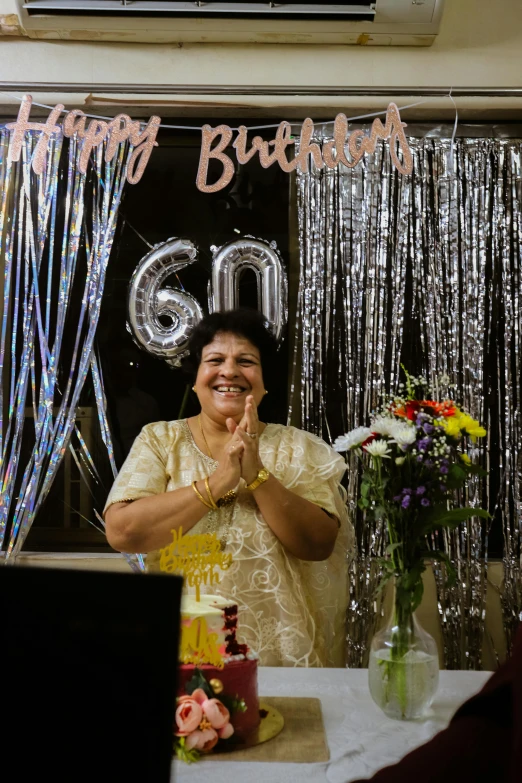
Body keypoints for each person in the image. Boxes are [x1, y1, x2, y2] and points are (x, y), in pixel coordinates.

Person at [104, 308, 353, 666]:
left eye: (246, 361)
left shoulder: (300, 447)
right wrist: (218, 483)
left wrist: (257, 475)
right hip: (184, 656)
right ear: (196, 378)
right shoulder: (160, 440)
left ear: (265, 380)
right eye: (215, 359)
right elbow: (123, 531)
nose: (230, 371)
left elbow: (318, 545)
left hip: (282, 657)